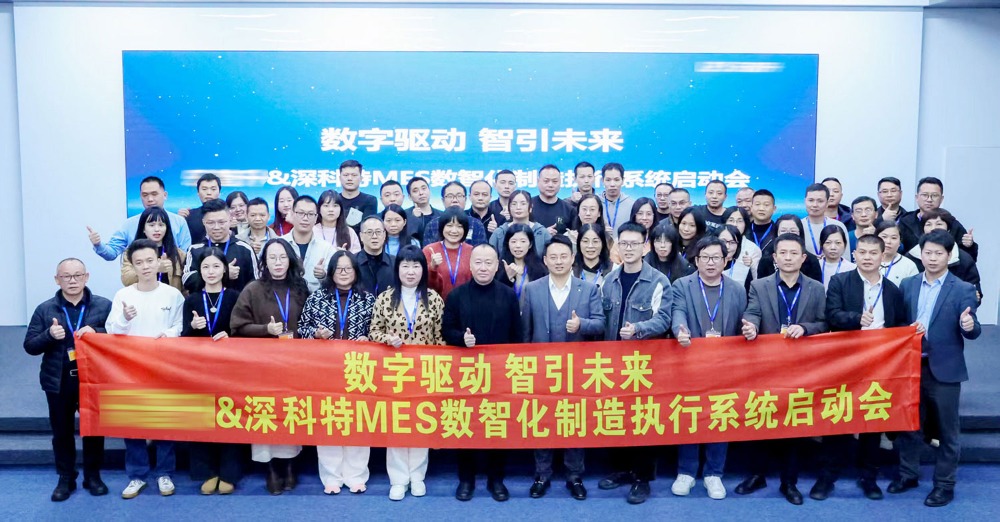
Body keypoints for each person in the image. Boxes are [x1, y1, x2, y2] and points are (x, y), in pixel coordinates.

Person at [738, 233, 829, 505]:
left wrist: (806, 328)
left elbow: (824, 323)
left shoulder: (816, 288)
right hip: (766, 365)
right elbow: (753, 313)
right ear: (775, 258)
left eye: (793, 253)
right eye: (783, 253)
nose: (788, 258)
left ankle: (789, 482)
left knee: (793, 425)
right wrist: (750, 327)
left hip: (801, 367)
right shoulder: (760, 285)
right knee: (761, 419)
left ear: (803, 258)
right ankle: (757, 475)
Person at [892, 229, 981, 508]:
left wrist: (969, 326)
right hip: (910, 366)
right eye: (927, 252)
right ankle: (908, 474)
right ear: (920, 254)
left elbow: (973, 329)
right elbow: (897, 323)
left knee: (946, 431)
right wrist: (905, 329)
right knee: (909, 425)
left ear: (949, 255)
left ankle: (944, 485)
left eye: (938, 253)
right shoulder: (908, 284)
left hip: (944, 368)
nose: (932, 258)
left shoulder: (963, 289)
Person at [821, 234, 907, 501]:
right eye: (863, 252)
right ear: (855, 254)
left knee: (873, 420)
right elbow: (831, 315)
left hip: (880, 363)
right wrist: (856, 318)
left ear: (883, 257)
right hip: (845, 361)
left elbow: (899, 325)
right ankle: (827, 477)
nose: (867, 257)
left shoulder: (892, 290)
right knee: (838, 419)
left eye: (873, 253)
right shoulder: (840, 281)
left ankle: (869, 478)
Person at [521, 235, 605, 501]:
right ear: (545, 261)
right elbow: (525, 333)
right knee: (542, 420)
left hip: (576, 370)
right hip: (541, 369)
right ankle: (542, 474)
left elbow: (600, 324)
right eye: (553, 257)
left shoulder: (588, 289)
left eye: (563, 256)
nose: (559, 261)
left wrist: (582, 325)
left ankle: (574, 475)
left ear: (572, 259)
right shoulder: (532, 289)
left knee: (574, 420)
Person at [23, 258, 111, 502]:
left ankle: (93, 476)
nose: (72, 281)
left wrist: (98, 332)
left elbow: (118, 336)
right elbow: (30, 346)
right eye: (66, 276)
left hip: (93, 379)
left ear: (86, 277)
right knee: (61, 432)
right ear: (57, 279)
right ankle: (66, 477)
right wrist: (49, 335)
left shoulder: (104, 305)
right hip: (59, 380)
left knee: (93, 431)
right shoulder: (45, 309)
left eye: (77, 275)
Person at [106, 239, 185, 499]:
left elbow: (180, 326)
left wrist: (168, 334)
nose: (146, 266)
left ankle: (164, 473)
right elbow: (111, 330)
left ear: (160, 260)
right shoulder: (123, 296)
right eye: (139, 262)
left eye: (150, 260)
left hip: (164, 367)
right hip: (131, 369)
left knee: (165, 421)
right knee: (133, 422)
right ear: (132, 265)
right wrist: (124, 318)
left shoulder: (172, 294)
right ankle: (137, 475)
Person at [670, 236, 748, 502]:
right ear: (696, 260)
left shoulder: (737, 289)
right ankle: (686, 472)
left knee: (719, 416)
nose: (710, 262)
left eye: (716, 257)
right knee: (690, 416)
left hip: (724, 367)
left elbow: (743, 322)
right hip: (690, 363)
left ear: (726, 260)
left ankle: (714, 473)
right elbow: (678, 313)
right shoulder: (682, 285)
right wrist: (680, 330)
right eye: (705, 257)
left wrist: (749, 329)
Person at [442, 244, 521, 502]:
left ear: (497, 266)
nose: (483, 267)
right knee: (466, 425)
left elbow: (518, 336)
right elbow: (446, 330)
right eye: (478, 262)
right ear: (470, 264)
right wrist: (461, 339)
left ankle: (496, 479)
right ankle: (466, 479)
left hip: (500, 373)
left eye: (489, 262)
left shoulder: (508, 295)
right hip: (466, 373)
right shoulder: (456, 296)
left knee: (497, 425)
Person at [600, 222, 672, 504]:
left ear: (646, 247)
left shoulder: (658, 281)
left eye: (634, 244)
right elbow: (601, 319)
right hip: (613, 363)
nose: (628, 249)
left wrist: (639, 329)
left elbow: (663, 319)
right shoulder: (609, 280)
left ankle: (642, 479)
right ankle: (621, 470)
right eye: (624, 244)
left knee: (643, 419)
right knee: (617, 415)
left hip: (644, 364)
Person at [231, 238, 309, 494]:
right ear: (264, 262)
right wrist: (266, 329)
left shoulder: (300, 288)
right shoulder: (253, 289)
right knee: (265, 415)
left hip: (295, 364)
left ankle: (290, 465)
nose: (278, 262)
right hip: (262, 366)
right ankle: (271, 468)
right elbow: (237, 326)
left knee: (290, 413)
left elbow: (309, 322)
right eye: (272, 257)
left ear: (290, 260)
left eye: (282, 257)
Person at [367, 246, 445, 501]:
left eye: (416, 266)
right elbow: (373, 332)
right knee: (397, 425)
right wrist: (387, 339)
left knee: (421, 424)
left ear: (423, 270)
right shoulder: (385, 298)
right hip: (394, 372)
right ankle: (398, 479)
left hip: (424, 372)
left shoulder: (433, 299)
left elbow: (440, 338)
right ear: (397, 269)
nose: (411, 272)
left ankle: (417, 476)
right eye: (405, 266)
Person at [298, 251, 376, 495]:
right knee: (329, 421)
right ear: (331, 272)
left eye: (348, 269)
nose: (343, 273)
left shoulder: (367, 299)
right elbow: (302, 328)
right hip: (325, 370)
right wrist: (315, 334)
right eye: (339, 269)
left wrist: (368, 339)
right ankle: (331, 476)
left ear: (356, 272)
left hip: (358, 369)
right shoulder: (317, 297)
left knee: (358, 422)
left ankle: (356, 475)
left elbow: (377, 330)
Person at [180, 248, 242, 495]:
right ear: (199, 270)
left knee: (230, 418)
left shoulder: (236, 297)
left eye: (216, 266)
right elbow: (183, 338)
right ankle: (206, 472)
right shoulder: (192, 300)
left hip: (230, 368)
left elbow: (244, 331)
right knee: (202, 418)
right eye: (206, 267)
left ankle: (229, 472)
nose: (211, 272)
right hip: (200, 369)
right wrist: (193, 326)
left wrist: (231, 335)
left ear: (224, 269)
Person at [88, 176, 191, 260]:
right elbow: (112, 253)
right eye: (145, 195)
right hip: (137, 278)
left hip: (171, 277)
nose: (150, 199)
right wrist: (98, 245)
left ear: (165, 195)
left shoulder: (179, 222)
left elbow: (186, 257)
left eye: (154, 194)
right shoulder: (129, 224)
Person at [182, 199, 258, 293]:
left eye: (221, 222)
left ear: (230, 220)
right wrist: (223, 273)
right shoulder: (195, 250)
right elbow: (187, 280)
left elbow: (256, 283)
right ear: (203, 222)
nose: (216, 227)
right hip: (203, 302)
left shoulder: (245, 249)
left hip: (237, 302)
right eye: (211, 223)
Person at [911, 209, 982, 304]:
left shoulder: (963, 259)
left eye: (939, 224)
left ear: (948, 229)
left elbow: (974, 293)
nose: (933, 228)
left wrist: (974, 297)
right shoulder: (911, 255)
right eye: (928, 224)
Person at [898, 177, 976, 259]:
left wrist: (969, 246)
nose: (929, 199)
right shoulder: (905, 222)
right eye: (925, 195)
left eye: (934, 195)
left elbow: (968, 259)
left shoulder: (952, 224)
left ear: (941, 199)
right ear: (917, 197)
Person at [280, 196, 338, 293]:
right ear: (292, 214)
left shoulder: (327, 249)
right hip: (284, 298)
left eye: (310, 214)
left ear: (316, 218)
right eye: (301, 213)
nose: (305, 218)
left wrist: (323, 276)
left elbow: (335, 283)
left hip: (316, 299)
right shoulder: (279, 244)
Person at [121, 206, 186, 293]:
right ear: (143, 228)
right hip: (142, 298)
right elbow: (126, 279)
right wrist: (156, 269)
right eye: (151, 225)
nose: (157, 229)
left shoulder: (179, 254)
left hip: (170, 300)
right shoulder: (132, 252)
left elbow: (185, 288)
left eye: (161, 225)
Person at [423, 207, 474, 301]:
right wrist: (432, 268)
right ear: (442, 227)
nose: (454, 231)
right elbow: (424, 285)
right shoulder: (429, 250)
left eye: (459, 226)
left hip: (466, 304)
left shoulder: (472, 251)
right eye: (449, 225)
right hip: (436, 305)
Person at [757, 214, 823, 283]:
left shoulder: (811, 261)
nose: (788, 235)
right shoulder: (766, 259)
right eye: (783, 231)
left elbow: (816, 287)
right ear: (776, 233)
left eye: (793, 231)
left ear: (800, 233)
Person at [489, 190, 552, 258]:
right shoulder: (499, 232)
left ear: (530, 208)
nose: (518, 207)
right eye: (514, 204)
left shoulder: (542, 232)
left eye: (523, 204)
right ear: (509, 208)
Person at [423, 181, 488, 246]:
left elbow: (482, 250)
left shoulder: (476, 224)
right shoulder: (432, 225)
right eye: (450, 196)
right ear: (443, 200)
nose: (455, 200)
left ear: (465, 199)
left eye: (459, 196)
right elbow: (428, 250)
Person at [497, 223, 549, 303]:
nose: (518, 245)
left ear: (530, 244)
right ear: (508, 244)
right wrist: (508, 278)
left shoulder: (540, 269)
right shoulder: (499, 267)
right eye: (513, 241)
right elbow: (496, 296)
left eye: (523, 241)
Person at [803, 183, 849, 259]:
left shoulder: (838, 226)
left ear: (827, 203)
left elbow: (846, 258)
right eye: (811, 200)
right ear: (805, 201)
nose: (815, 205)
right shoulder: (798, 226)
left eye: (820, 201)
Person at [609, 198, 656, 264]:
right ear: (634, 215)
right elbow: (614, 264)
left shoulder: (658, 240)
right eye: (640, 213)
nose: (644, 217)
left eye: (648, 214)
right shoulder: (621, 240)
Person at [356, 216, 394, 296]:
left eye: (378, 232)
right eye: (369, 232)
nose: (374, 236)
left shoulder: (395, 262)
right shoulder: (353, 262)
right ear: (361, 236)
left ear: (384, 235)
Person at [179, 173, 222, 243]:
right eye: (204, 189)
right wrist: (179, 221)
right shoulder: (189, 215)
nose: (209, 193)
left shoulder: (228, 215)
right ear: (198, 193)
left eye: (213, 189)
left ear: (219, 193)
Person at [531, 164, 574, 234]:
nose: (550, 185)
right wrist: (543, 234)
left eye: (555, 181)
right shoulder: (528, 206)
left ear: (560, 182)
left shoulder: (569, 210)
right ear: (538, 181)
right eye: (546, 181)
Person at [338, 160, 378, 233]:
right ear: (340, 178)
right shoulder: (334, 200)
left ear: (361, 178)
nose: (350, 178)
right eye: (346, 175)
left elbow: (367, 228)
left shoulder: (370, 200)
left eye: (354, 175)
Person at [876, 220, 920, 287]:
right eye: (884, 237)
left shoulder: (909, 266)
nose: (888, 241)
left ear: (900, 242)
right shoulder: (867, 261)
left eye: (894, 238)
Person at [723, 206, 761, 277]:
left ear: (745, 224)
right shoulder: (714, 244)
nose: (735, 225)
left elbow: (757, 279)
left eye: (740, 221)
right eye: (731, 220)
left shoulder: (753, 249)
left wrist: (751, 265)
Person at [600, 163, 634, 240]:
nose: (612, 184)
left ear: (623, 180)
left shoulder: (631, 204)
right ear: (602, 181)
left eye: (616, 180)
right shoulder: (595, 203)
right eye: (608, 180)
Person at [572, 223, 612, 287]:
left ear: (603, 244)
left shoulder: (613, 270)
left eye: (595, 241)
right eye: (585, 241)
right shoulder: (570, 270)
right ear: (579, 244)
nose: (590, 246)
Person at [819, 225, 856, 290]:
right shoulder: (816, 266)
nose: (833, 247)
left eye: (838, 243)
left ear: (845, 244)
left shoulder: (852, 269)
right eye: (828, 243)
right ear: (821, 244)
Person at [405, 177, 440, 245]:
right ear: (409, 197)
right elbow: (405, 238)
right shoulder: (404, 215)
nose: (421, 193)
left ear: (429, 191)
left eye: (424, 188)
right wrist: (413, 219)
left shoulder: (441, 215)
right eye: (415, 191)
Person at [719, 225, 754, 293]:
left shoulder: (744, 269)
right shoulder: (706, 264)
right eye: (723, 241)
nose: (727, 246)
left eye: (732, 242)